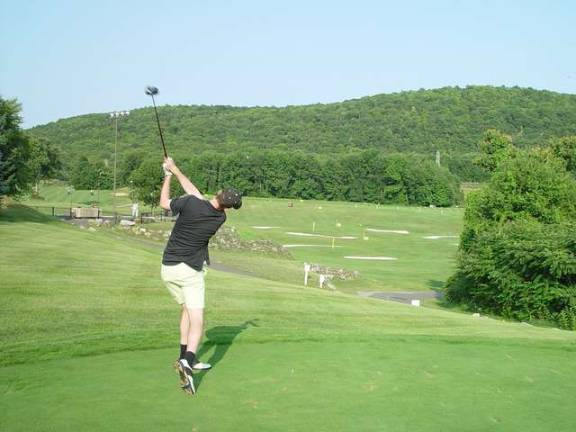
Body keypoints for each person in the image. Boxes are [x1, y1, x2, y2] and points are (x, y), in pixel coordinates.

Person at [159, 157, 242, 394]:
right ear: (228, 207)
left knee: (186, 309)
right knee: (198, 320)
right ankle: (188, 361)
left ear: (217, 193)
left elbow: (165, 202)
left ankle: (184, 356)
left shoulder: (190, 203)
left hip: (168, 268)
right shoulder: (220, 218)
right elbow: (196, 194)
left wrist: (168, 174)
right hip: (190, 272)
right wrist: (174, 170)